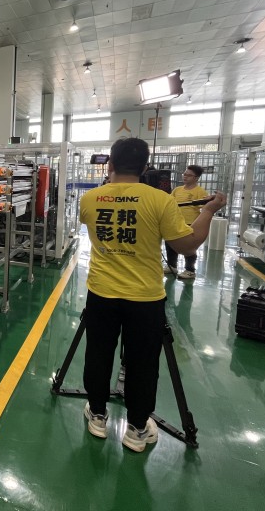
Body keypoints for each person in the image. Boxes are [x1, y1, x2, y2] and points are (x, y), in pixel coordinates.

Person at [79, 137, 226, 452]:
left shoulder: (90, 199)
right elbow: (187, 245)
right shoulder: (161, 200)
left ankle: (98, 415)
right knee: (143, 363)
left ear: (110, 164)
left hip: (102, 293)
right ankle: (136, 428)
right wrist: (209, 211)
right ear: (145, 167)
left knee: (98, 355)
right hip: (145, 298)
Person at [164, 165, 210, 279]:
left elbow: (205, 208)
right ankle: (172, 265)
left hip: (191, 223)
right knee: (170, 243)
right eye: (184, 174)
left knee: (189, 247)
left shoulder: (200, 191)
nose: (185, 177)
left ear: (196, 178)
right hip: (175, 222)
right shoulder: (177, 190)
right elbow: (170, 203)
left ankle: (190, 270)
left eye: (189, 175)